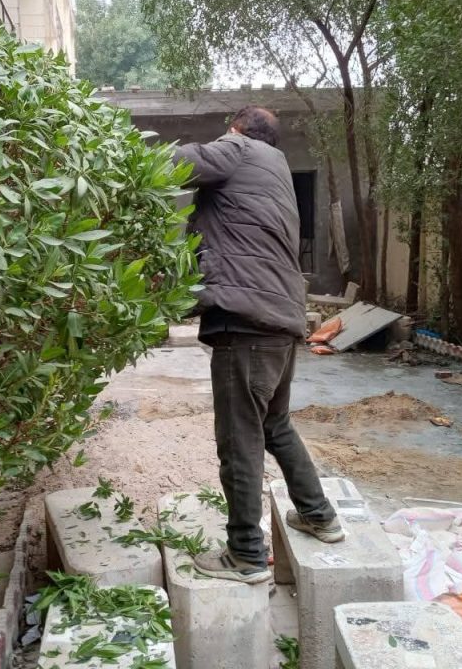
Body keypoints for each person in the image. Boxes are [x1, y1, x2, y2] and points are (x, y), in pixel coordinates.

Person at [173, 106, 344, 585]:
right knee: (274, 424)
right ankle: (318, 515)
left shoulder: (238, 147)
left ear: (237, 129)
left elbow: (180, 163)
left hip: (245, 322)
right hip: (281, 318)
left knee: (240, 439)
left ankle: (246, 553)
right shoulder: (277, 169)